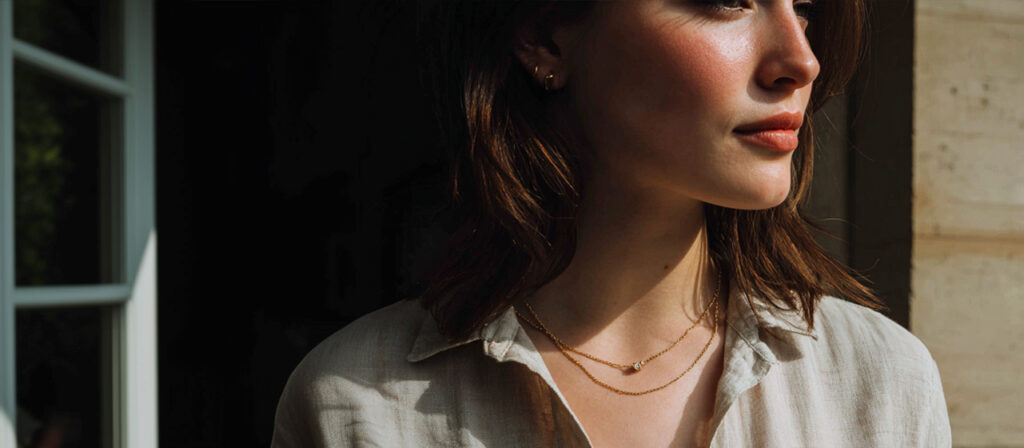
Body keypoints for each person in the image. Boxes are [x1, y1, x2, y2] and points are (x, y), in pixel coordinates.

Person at [271, 1, 952, 446]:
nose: (801, 60)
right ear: (544, 37)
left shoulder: (877, 385)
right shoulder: (355, 404)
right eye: (726, 1)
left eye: (803, 7)